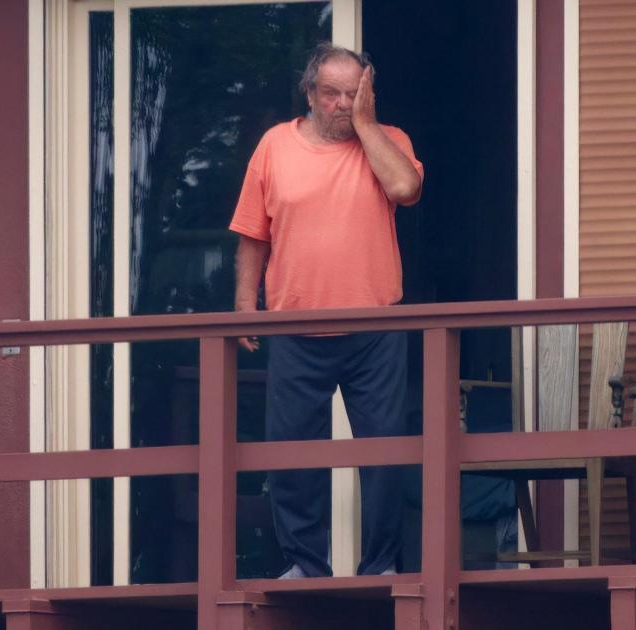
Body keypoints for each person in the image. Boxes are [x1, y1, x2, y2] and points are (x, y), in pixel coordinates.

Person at [228, 42, 424, 578]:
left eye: (354, 94)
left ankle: (380, 565)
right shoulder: (274, 145)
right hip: (295, 326)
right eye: (332, 93)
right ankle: (305, 565)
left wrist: (366, 124)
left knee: (384, 454)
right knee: (291, 454)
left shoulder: (390, 141)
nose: (342, 104)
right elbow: (253, 232)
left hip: (376, 327)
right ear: (310, 94)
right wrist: (245, 303)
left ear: (369, 95)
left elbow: (405, 188)